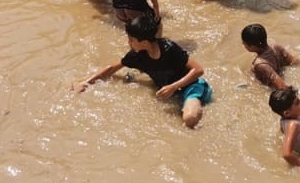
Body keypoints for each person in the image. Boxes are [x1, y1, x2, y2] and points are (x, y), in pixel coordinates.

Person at [77, 14, 211, 128]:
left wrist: (173, 87)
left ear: (145, 42)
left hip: (191, 87)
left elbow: (198, 70)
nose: (129, 43)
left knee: (190, 118)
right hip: (171, 93)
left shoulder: (169, 48)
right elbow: (112, 68)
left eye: (131, 40)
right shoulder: (137, 55)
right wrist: (86, 82)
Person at [241, 23, 297, 90]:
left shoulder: (260, 64)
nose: (242, 44)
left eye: (244, 43)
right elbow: (295, 61)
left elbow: (282, 86)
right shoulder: (275, 47)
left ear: (252, 46)